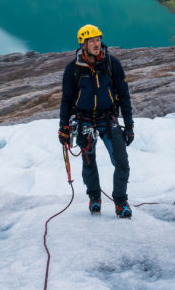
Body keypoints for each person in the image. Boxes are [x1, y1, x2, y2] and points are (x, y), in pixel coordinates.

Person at [58, 24, 135, 218]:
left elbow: (123, 95)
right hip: (84, 121)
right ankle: (94, 198)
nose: (96, 43)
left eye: (98, 39)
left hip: (108, 119)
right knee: (89, 162)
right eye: (91, 40)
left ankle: (120, 202)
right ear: (83, 44)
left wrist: (129, 125)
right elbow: (66, 100)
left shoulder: (112, 64)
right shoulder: (73, 69)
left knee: (122, 162)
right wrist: (63, 127)